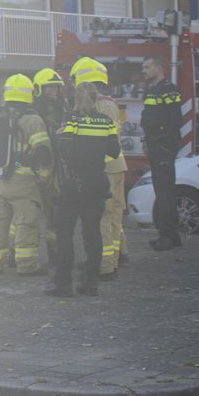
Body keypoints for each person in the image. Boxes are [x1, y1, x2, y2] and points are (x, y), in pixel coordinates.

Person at [47, 81, 119, 297]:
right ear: (96, 98)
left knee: (64, 231)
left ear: (76, 99)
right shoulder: (106, 122)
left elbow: (63, 148)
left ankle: (63, 283)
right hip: (98, 181)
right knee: (92, 232)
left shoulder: (71, 119)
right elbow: (114, 151)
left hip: (74, 182)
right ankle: (91, 283)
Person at [0, 74, 52, 275]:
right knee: (26, 222)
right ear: (30, 94)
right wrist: (44, 177)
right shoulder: (33, 121)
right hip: (24, 183)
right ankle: (27, 266)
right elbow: (44, 153)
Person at [70, 56, 128, 277]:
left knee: (102, 216)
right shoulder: (110, 102)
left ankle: (104, 266)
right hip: (117, 166)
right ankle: (117, 255)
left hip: (104, 169)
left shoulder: (99, 106)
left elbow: (98, 142)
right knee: (115, 215)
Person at [140, 56, 185, 251]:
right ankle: (172, 234)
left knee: (165, 191)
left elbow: (175, 118)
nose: (143, 71)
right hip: (156, 144)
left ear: (158, 69)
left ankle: (166, 235)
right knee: (162, 190)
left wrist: (164, 142)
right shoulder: (154, 89)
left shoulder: (168, 89)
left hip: (163, 146)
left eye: (147, 67)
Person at [32, 67, 69, 267]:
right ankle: (17, 253)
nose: (53, 92)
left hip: (58, 171)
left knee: (53, 214)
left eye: (56, 88)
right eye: (49, 88)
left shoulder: (65, 110)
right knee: (27, 214)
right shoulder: (32, 113)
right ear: (39, 90)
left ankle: (54, 252)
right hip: (35, 171)